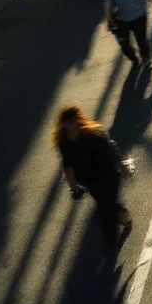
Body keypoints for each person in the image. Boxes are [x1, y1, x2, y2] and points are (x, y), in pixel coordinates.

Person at [54, 106, 134, 263]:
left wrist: (123, 162)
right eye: (67, 123)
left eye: (73, 121)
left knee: (105, 210)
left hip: (109, 176)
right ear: (63, 125)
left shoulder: (94, 134)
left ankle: (110, 243)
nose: (71, 126)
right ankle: (122, 215)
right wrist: (73, 188)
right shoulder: (64, 144)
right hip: (90, 181)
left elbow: (111, 149)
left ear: (78, 120)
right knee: (106, 205)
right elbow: (67, 166)